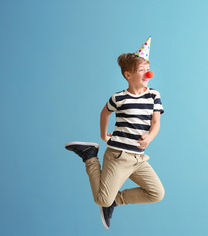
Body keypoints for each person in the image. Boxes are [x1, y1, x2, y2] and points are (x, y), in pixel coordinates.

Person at [65, 37, 165, 229]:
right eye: (142, 70)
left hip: (138, 159)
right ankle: (89, 156)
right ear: (128, 75)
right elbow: (105, 112)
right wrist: (104, 135)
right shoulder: (118, 98)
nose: (148, 73)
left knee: (157, 193)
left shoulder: (154, 95)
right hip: (118, 156)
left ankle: (115, 201)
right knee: (102, 199)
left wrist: (150, 137)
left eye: (148, 68)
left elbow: (156, 123)